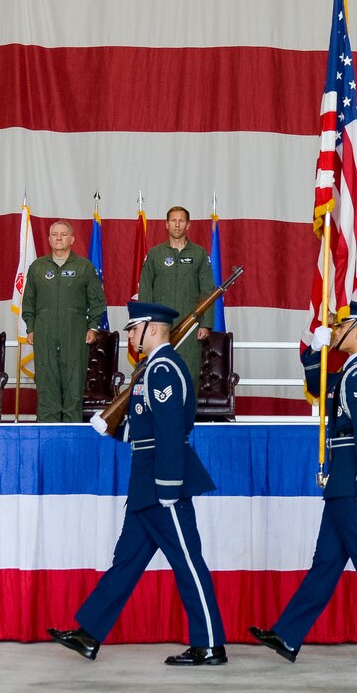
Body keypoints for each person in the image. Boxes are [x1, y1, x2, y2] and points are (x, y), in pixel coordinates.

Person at [50, 301, 228, 666]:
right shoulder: (150, 369)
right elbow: (142, 428)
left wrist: (167, 485)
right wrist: (112, 428)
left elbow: (170, 430)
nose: (129, 334)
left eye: (134, 328)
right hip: (145, 480)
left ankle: (209, 643)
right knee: (127, 561)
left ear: (153, 328)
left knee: (187, 562)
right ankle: (89, 633)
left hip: (163, 482)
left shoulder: (163, 369)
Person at [251, 302, 357, 668]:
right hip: (341, 480)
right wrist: (316, 350)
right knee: (326, 562)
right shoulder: (350, 370)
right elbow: (318, 385)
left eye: (343, 323)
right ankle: (288, 634)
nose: (337, 327)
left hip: (354, 480)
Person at [22, 219, 106, 423]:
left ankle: (72, 431)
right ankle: (46, 431)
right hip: (45, 332)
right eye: (54, 234)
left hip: (75, 333)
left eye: (63, 234)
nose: (58, 238)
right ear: (49, 238)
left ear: (72, 239)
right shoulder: (37, 267)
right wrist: (31, 328)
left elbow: (97, 302)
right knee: (46, 383)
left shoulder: (84, 267)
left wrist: (93, 327)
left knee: (73, 384)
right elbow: (28, 302)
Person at [135, 206, 216, 381]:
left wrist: (206, 324)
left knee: (189, 372)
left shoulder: (199, 254)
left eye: (181, 221)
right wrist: (146, 324)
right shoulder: (155, 254)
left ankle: (188, 410)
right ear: (166, 224)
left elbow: (208, 291)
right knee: (160, 371)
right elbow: (145, 291)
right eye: (173, 221)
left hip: (190, 325)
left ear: (188, 225)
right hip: (159, 326)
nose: (177, 225)